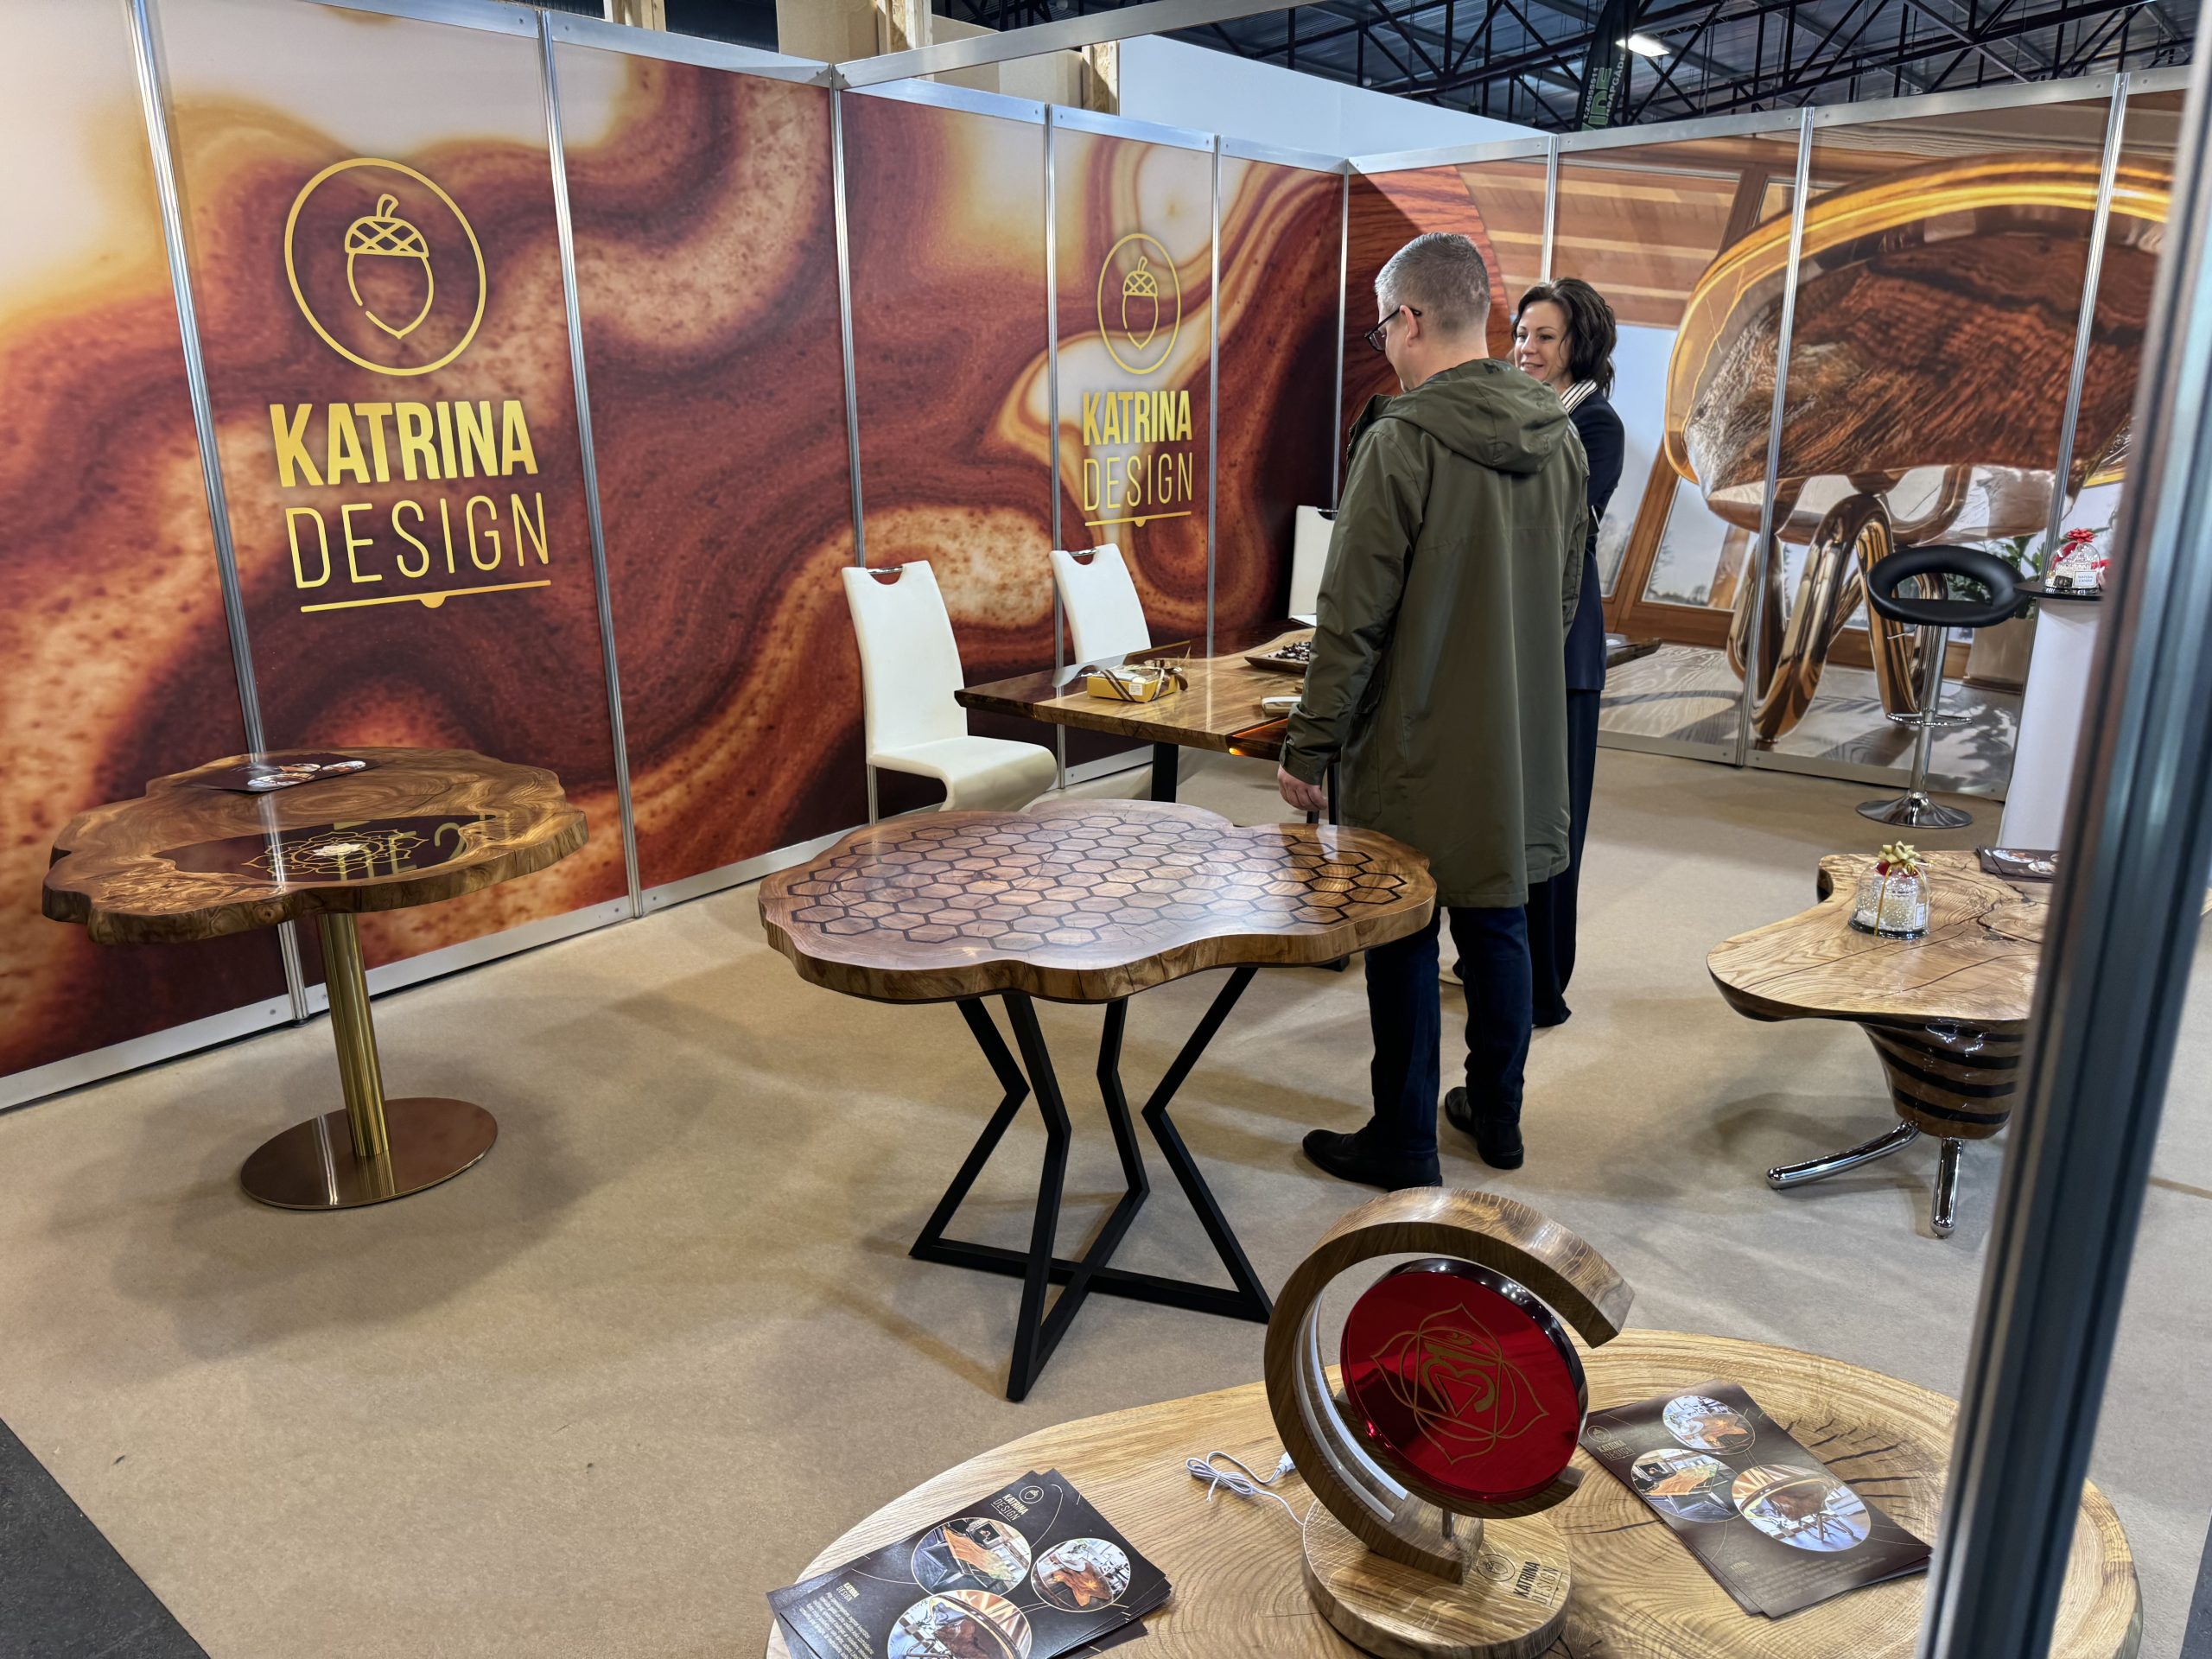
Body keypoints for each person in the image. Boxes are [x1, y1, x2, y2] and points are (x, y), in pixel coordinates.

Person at [1277, 232, 1588, 1189]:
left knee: (1402, 929)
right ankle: (1497, 1118)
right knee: (1498, 919)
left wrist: (1309, 744)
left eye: (1381, 328)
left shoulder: (1400, 440)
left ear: (1409, 318)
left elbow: (1350, 617)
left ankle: (1404, 1140)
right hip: (1517, 737)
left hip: (1411, 739)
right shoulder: (1561, 437)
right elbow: (1564, 599)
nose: (1384, 346)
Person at [1510, 278, 1624, 1027]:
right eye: (1522, 333)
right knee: (1505, 818)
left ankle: (1543, 987)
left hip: (1562, 648)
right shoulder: (1514, 409)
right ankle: (1501, 961)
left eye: (1544, 336)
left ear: (1578, 343)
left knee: (1553, 830)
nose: (1527, 348)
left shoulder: (1596, 423)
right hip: (1507, 638)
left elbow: (1561, 524)